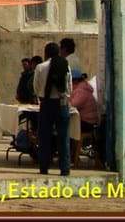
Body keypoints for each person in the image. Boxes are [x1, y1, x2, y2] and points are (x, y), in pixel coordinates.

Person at [33, 41, 72, 176]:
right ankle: (65, 168)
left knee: (44, 137)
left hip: (46, 104)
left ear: (46, 53)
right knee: (63, 136)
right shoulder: (65, 65)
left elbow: (36, 87)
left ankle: (44, 167)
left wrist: (42, 96)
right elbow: (69, 87)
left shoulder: (40, 67)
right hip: (62, 104)